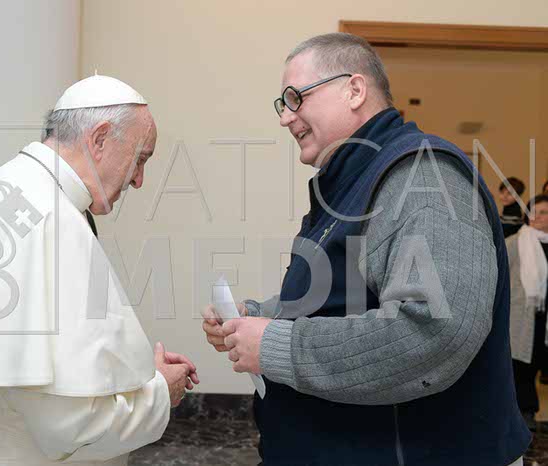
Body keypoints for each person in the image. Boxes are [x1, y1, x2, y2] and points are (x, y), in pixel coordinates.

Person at [202, 33, 529, 466]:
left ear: (354, 90)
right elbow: (344, 297)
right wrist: (259, 317)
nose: (285, 118)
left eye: (296, 98)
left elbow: (433, 331)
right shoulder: (355, 183)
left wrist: (276, 345)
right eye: (282, 104)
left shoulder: (423, 179)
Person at [0, 75, 198, 466]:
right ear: (100, 139)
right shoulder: (50, 217)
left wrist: (137, 371)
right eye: (141, 158)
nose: (139, 180)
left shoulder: (9, 183)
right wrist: (158, 392)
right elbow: (72, 429)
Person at [508, 194, 548, 431]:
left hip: (545, 317)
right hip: (523, 316)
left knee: (538, 363)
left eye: (544, 212)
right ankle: (525, 412)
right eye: (534, 211)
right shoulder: (515, 242)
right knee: (522, 366)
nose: (538, 216)